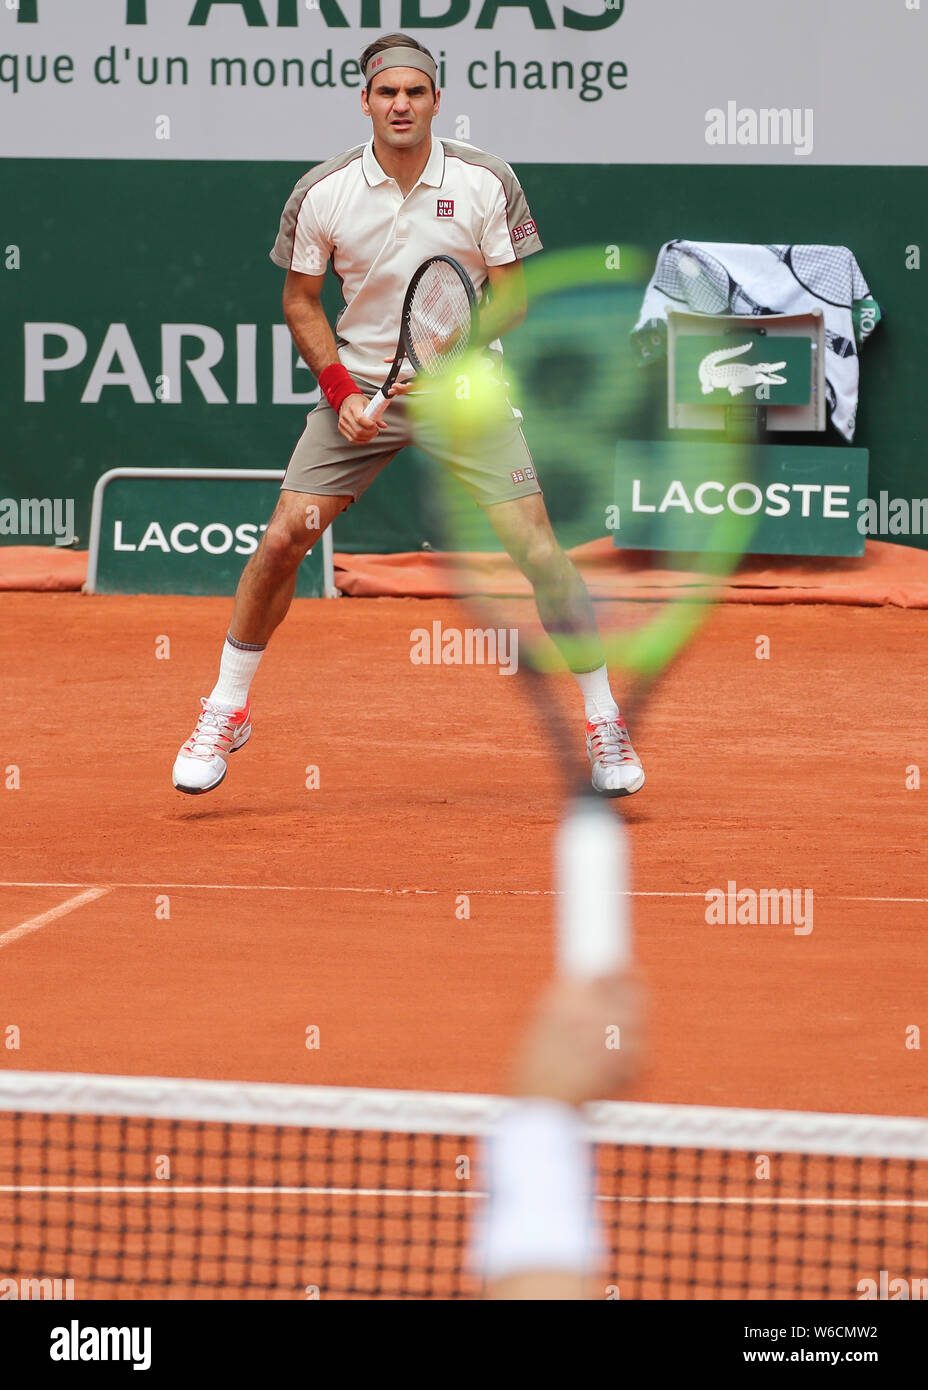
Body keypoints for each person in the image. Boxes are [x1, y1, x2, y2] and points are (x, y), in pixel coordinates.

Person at [171, 33, 645, 800]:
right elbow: (300, 299)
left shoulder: (487, 181)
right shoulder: (323, 192)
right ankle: (226, 708)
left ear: (435, 100)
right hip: (360, 389)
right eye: (386, 92)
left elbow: (513, 298)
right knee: (285, 536)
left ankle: (604, 723)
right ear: (365, 101)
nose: (400, 104)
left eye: (415, 93)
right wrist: (341, 392)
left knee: (538, 552)